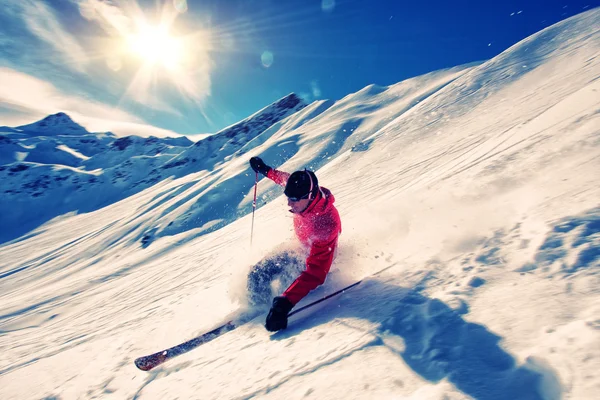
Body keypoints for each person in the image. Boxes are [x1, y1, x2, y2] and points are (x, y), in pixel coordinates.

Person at [249, 156, 342, 332]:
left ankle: (276, 305)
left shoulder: (326, 224)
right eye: (287, 197)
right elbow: (282, 178)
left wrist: (285, 303)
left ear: (308, 196)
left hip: (314, 261)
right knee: (256, 274)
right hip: (299, 249)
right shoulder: (301, 191)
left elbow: (315, 273)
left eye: (293, 199)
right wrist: (263, 168)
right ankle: (255, 308)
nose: (289, 203)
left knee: (287, 281)